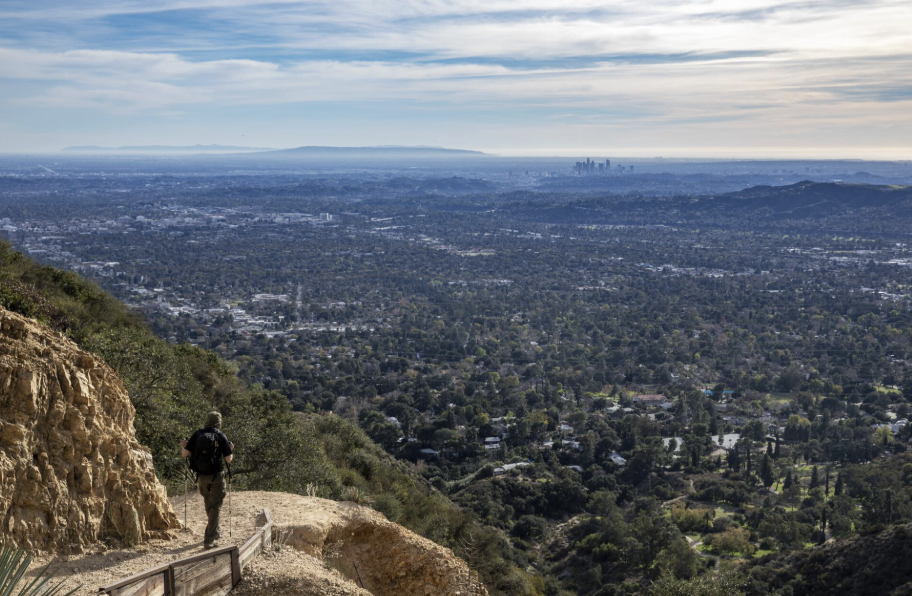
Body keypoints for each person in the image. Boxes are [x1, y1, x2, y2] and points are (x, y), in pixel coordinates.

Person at [181, 411, 234, 548]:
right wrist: (231, 450)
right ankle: (209, 539)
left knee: (208, 503)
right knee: (216, 506)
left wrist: (185, 446)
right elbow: (228, 459)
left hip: (201, 476)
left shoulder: (198, 434)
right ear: (219, 422)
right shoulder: (220, 435)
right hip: (216, 476)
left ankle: (215, 530)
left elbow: (184, 454)